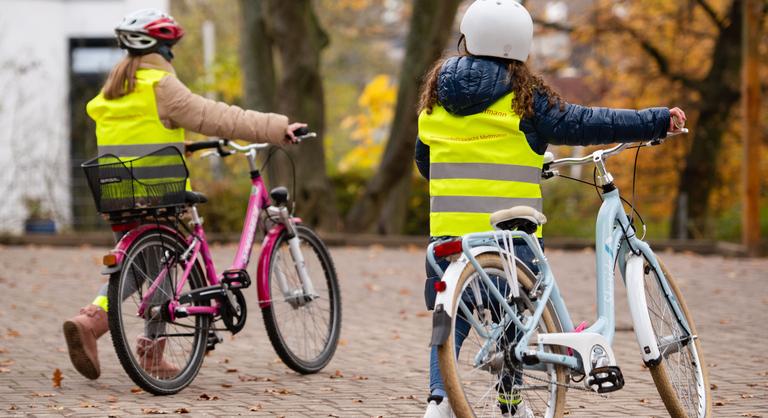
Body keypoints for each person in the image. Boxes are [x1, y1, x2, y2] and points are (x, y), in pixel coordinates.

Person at [415, 1, 686, 417]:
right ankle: (511, 404)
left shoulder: (434, 102)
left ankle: (438, 403)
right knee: (518, 318)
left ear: (466, 40)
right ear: (521, 46)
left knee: (451, 326)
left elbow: (426, 164)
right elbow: (587, 122)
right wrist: (654, 120)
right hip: (511, 238)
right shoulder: (525, 99)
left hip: (448, 241)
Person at [62, 8, 306, 381]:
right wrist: (277, 127)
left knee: (147, 268)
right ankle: (101, 325)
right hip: (159, 193)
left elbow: (139, 135)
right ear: (162, 48)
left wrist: (183, 145)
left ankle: (113, 330)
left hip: (118, 194)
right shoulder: (162, 85)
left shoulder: (113, 92)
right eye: (171, 48)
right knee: (160, 268)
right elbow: (219, 116)